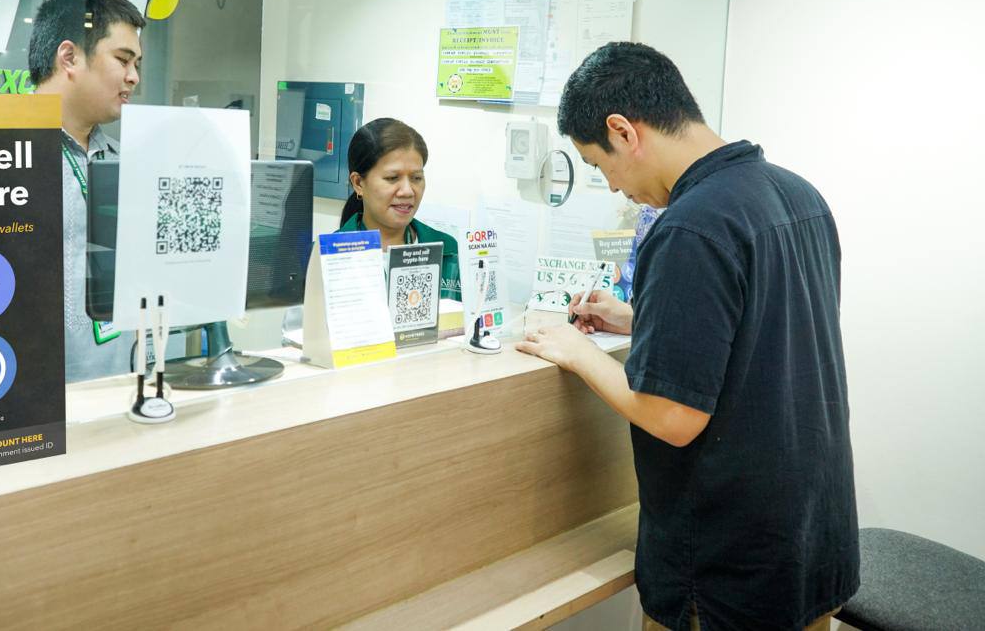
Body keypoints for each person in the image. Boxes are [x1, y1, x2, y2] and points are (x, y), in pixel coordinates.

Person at [517, 42, 858, 631]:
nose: (614, 187)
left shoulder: (691, 227)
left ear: (623, 131)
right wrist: (641, 317)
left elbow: (671, 417)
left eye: (599, 166)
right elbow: (763, 329)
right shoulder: (796, 193)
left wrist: (577, 352)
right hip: (808, 542)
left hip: (729, 571)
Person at [28, 0, 146, 382]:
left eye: (137, 64)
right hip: (33, 394)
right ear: (69, 57)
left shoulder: (126, 163)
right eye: (122, 60)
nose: (133, 76)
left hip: (124, 383)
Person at [339, 118, 461, 301]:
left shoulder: (447, 250)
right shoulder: (330, 256)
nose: (408, 191)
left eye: (416, 178)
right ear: (358, 183)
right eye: (392, 178)